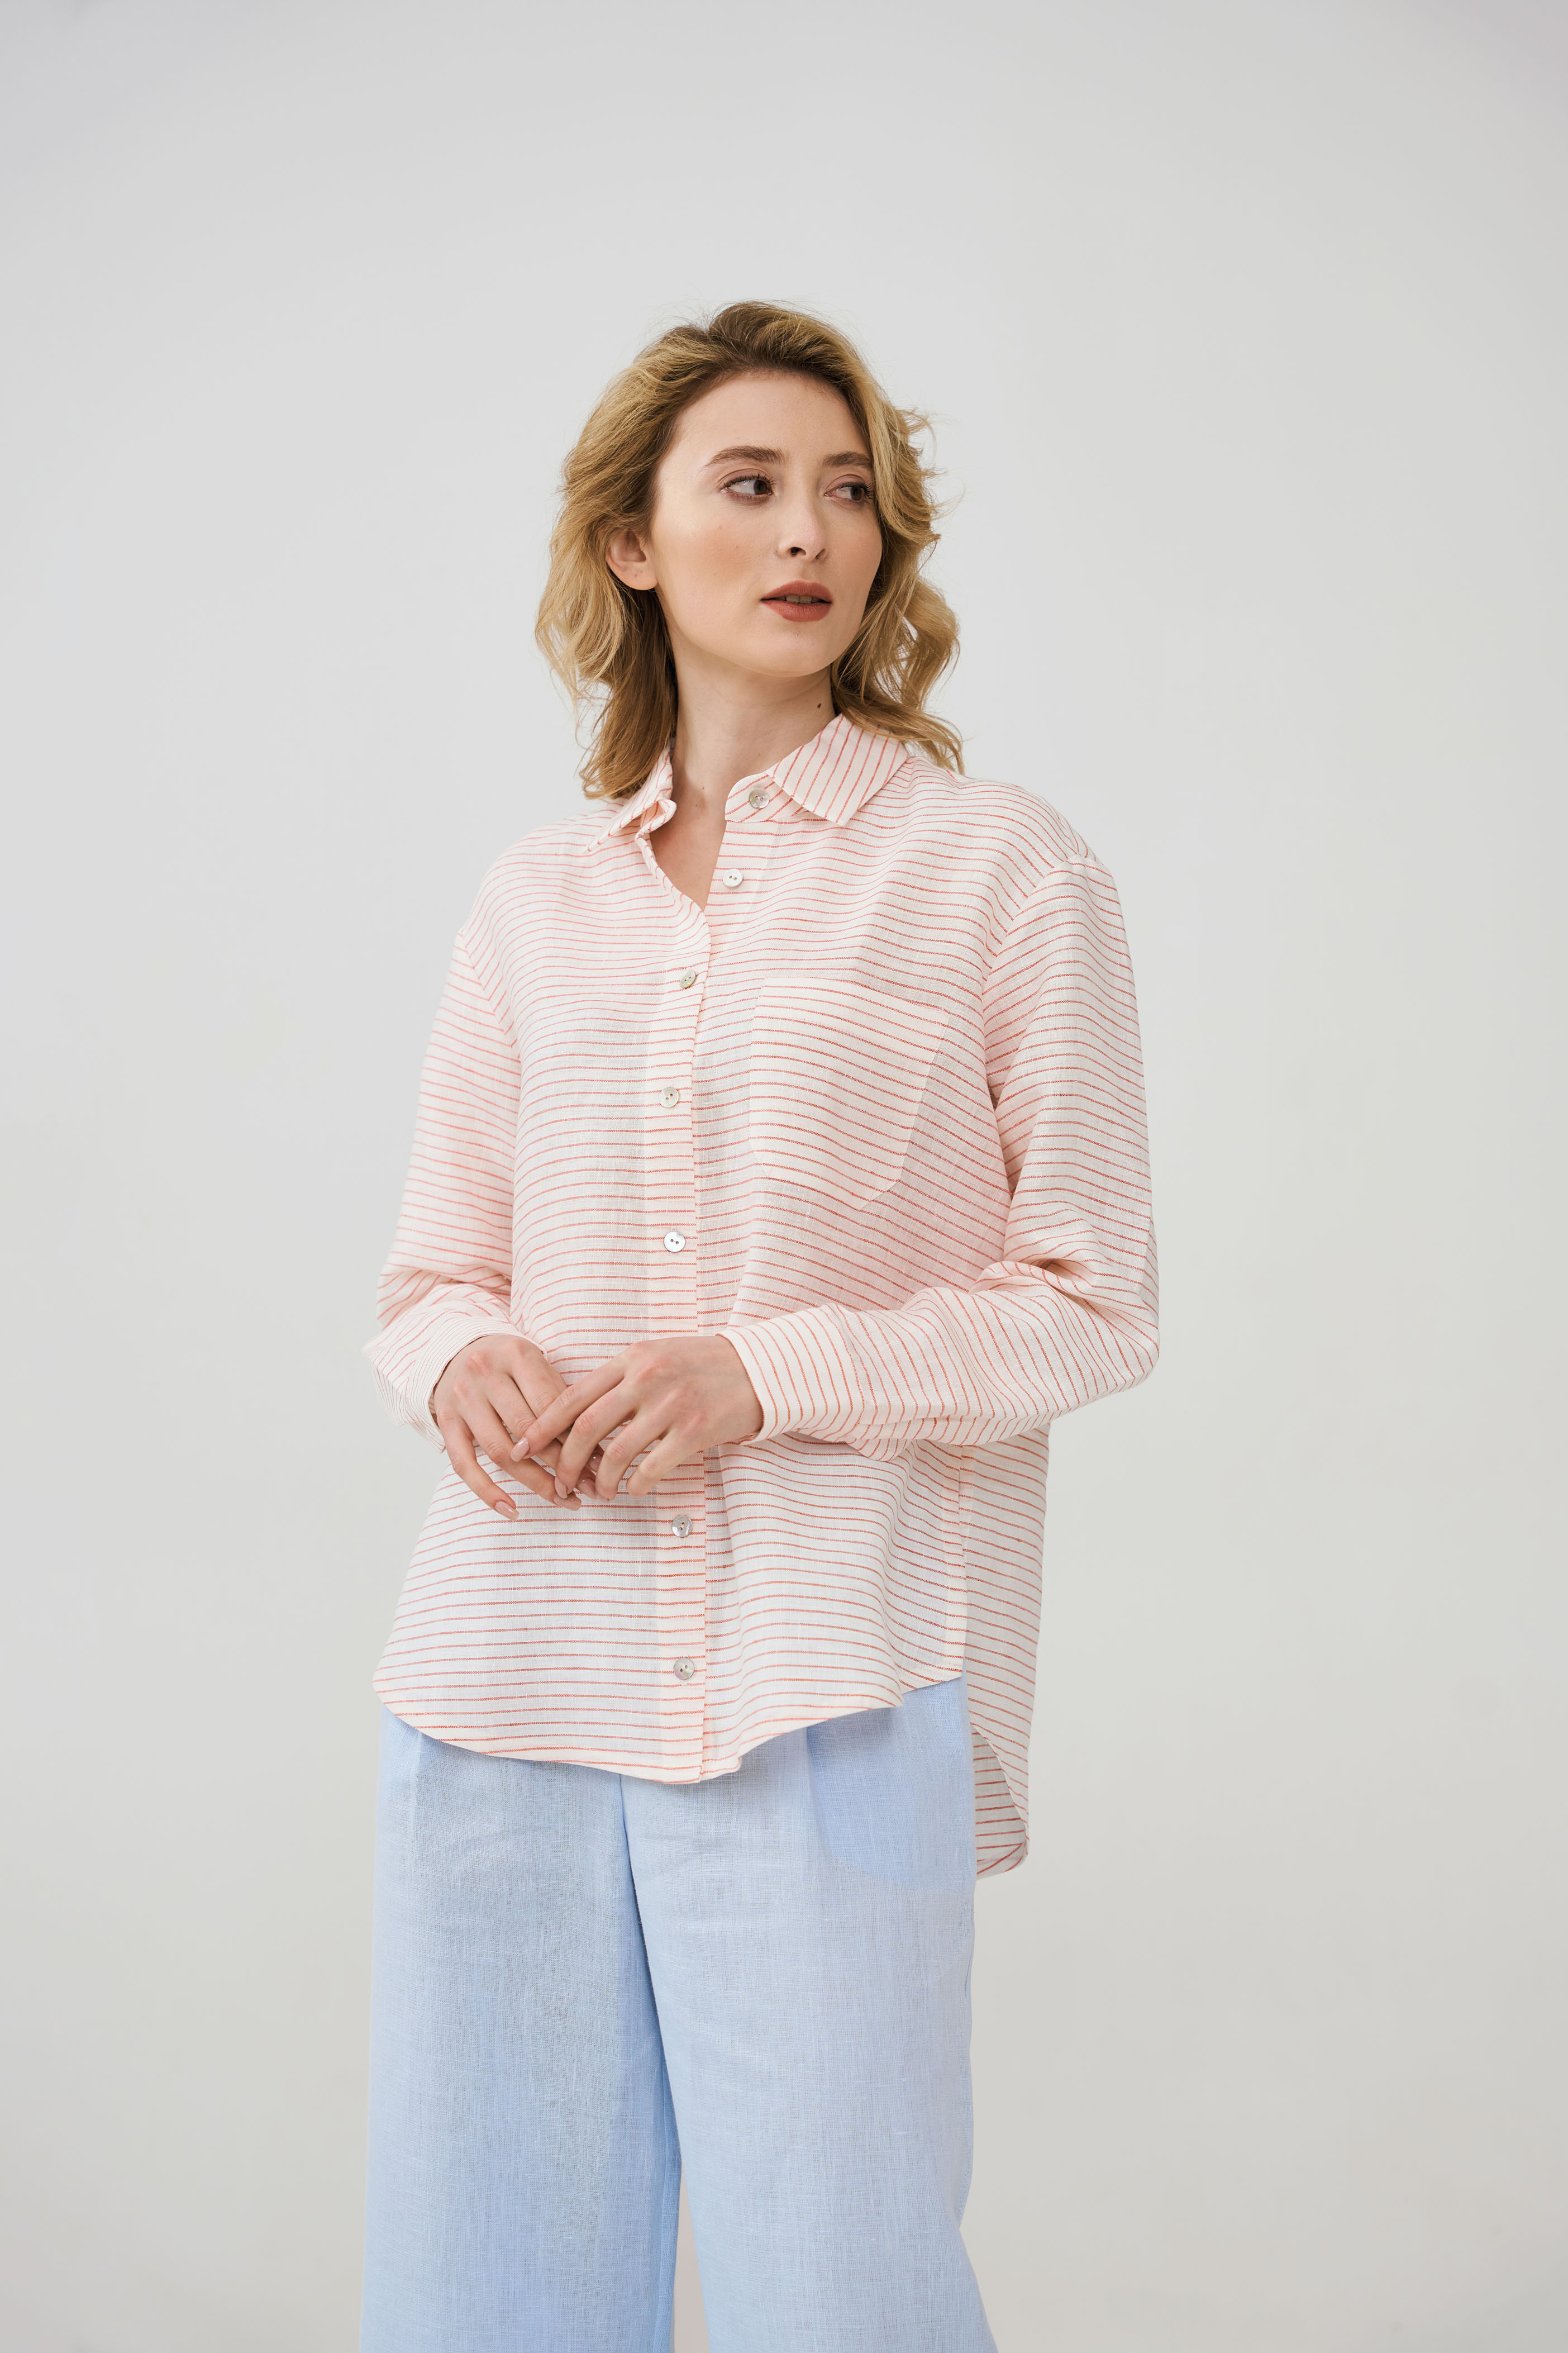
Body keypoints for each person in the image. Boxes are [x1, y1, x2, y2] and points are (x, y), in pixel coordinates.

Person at [359, 300, 1157, 2353]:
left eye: (850, 492)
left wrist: (759, 1374)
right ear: (633, 542)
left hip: (829, 1675)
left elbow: (1092, 1302)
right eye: (751, 483)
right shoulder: (535, 900)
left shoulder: (998, 870)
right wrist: (465, 1362)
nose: (812, 532)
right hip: (504, 1674)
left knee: (845, 2295)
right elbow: (430, 1276)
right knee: (486, 2299)